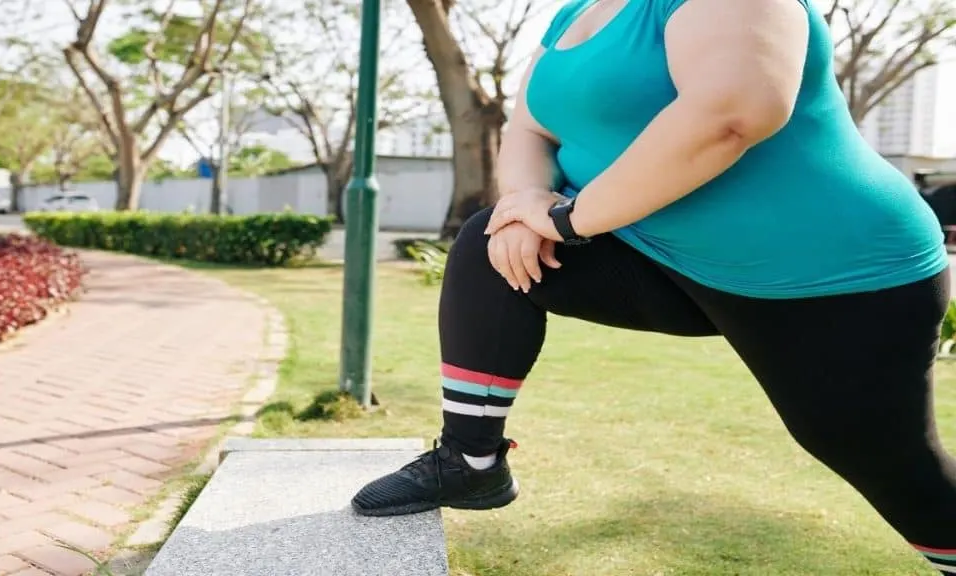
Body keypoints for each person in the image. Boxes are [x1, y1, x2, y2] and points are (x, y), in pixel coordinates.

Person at [351, 0, 956, 572]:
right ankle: (470, 461)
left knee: (892, 470)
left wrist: (566, 220)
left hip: (832, 275)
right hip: (666, 260)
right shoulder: (576, 13)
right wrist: (522, 202)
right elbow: (531, 128)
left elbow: (733, 114)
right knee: (493, 245)